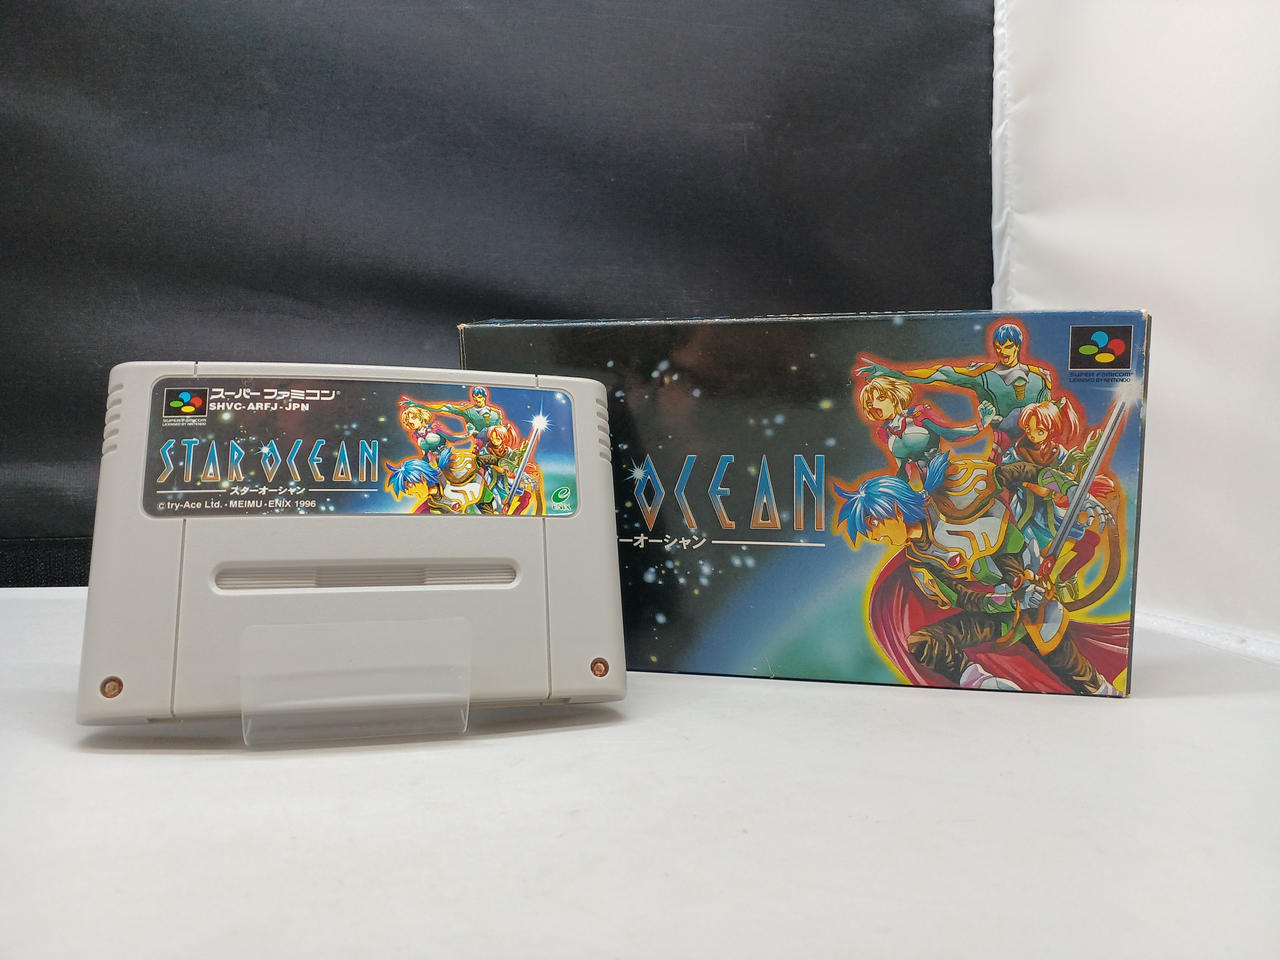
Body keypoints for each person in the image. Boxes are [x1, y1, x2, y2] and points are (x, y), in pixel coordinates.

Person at [834, 452, 1122, 695]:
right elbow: (966, 599)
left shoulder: (955, 490)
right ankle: (983, 683)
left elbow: (1019, 471)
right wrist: (1008, 601)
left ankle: (1103, 692)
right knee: (924, 643)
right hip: (1001, 608)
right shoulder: (920, 562)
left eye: (873, 525)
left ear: (894, 508)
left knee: (1064, 658)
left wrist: (1071, 490)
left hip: (1026, 577)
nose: (875, 537)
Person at [856, 319, 1052, 448]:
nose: (1003, 352)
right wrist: (895, 373)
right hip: (1004, 446)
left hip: (1039, 447)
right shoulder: (983, 376)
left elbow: (1050, 414)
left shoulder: (1040, 379)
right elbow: (941, 374)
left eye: (1008, 346)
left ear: (1017, 346)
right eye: (998, 347)